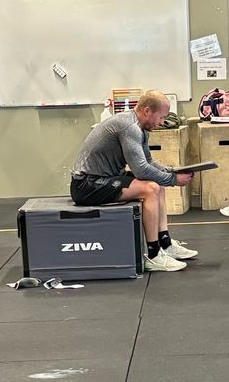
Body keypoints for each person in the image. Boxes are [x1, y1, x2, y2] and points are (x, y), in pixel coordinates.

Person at [69, 89, 199, 273]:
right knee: (150, 189)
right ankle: (154, 255)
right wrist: (173, 179)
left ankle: (165, 243)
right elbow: (141, 170)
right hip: (86, 185)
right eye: (161, 117)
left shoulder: (142, 127)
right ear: (147, 111)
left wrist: (172, 172)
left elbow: (149, 162)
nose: (162, 122)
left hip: (105, 178)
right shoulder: (129, 127)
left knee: (157, 185)